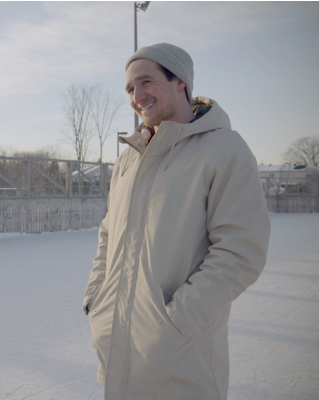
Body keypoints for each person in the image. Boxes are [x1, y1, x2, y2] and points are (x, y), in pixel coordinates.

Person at [83, 43, 270, 399]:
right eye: (130, 89)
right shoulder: (128, 160)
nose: (137, 96)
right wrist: (97, 299)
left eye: (146, 82)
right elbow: (108, 236)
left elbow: (241, 251)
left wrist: (176, 320)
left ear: (179, 82)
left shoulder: (225, 150)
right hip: (118, 348)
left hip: (181, 360)